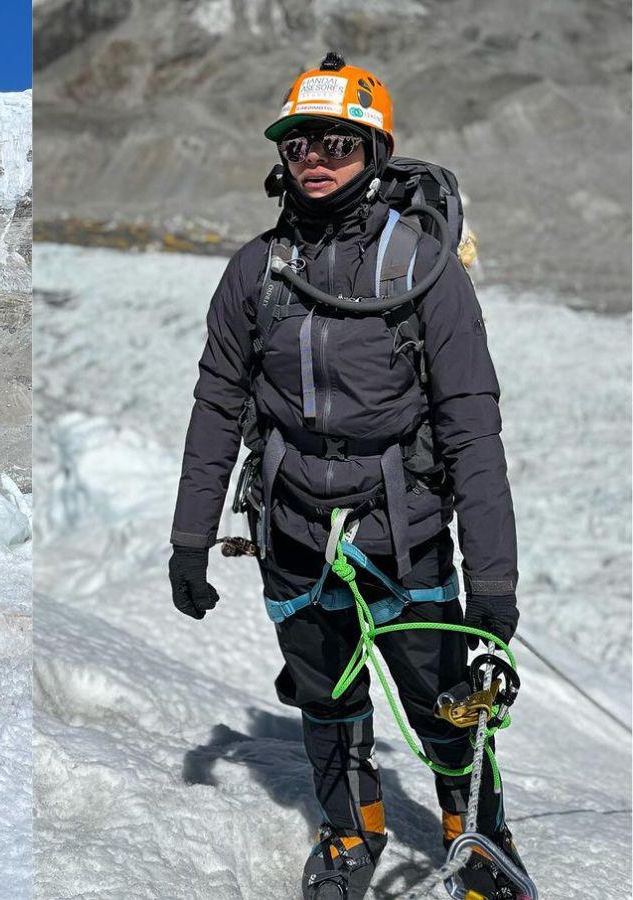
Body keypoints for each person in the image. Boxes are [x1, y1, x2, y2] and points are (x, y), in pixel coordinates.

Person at [167, 53, 529, 899]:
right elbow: (217, 406)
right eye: (299, 143)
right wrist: (190, 538)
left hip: (401, 535)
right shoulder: (254, 274)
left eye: (337, 141)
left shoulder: (426, 272)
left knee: (448, 706)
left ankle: (479, 837)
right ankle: (348, 832)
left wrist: (494, 582)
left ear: (374, 150)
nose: (315, 158)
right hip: (292, 531)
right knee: (326, 696)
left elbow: (473, 428)